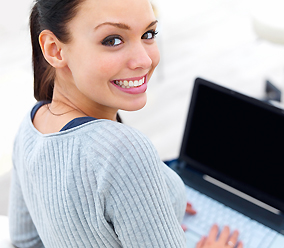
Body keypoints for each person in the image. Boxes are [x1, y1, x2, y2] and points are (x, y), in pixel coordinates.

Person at [8, 0, 243, 247]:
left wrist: (149, 211)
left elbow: (25, 241)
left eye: (148, 34)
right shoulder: (123, 152)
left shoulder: (31, 125)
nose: (143, 60)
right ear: (54, 49)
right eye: (113, 40)